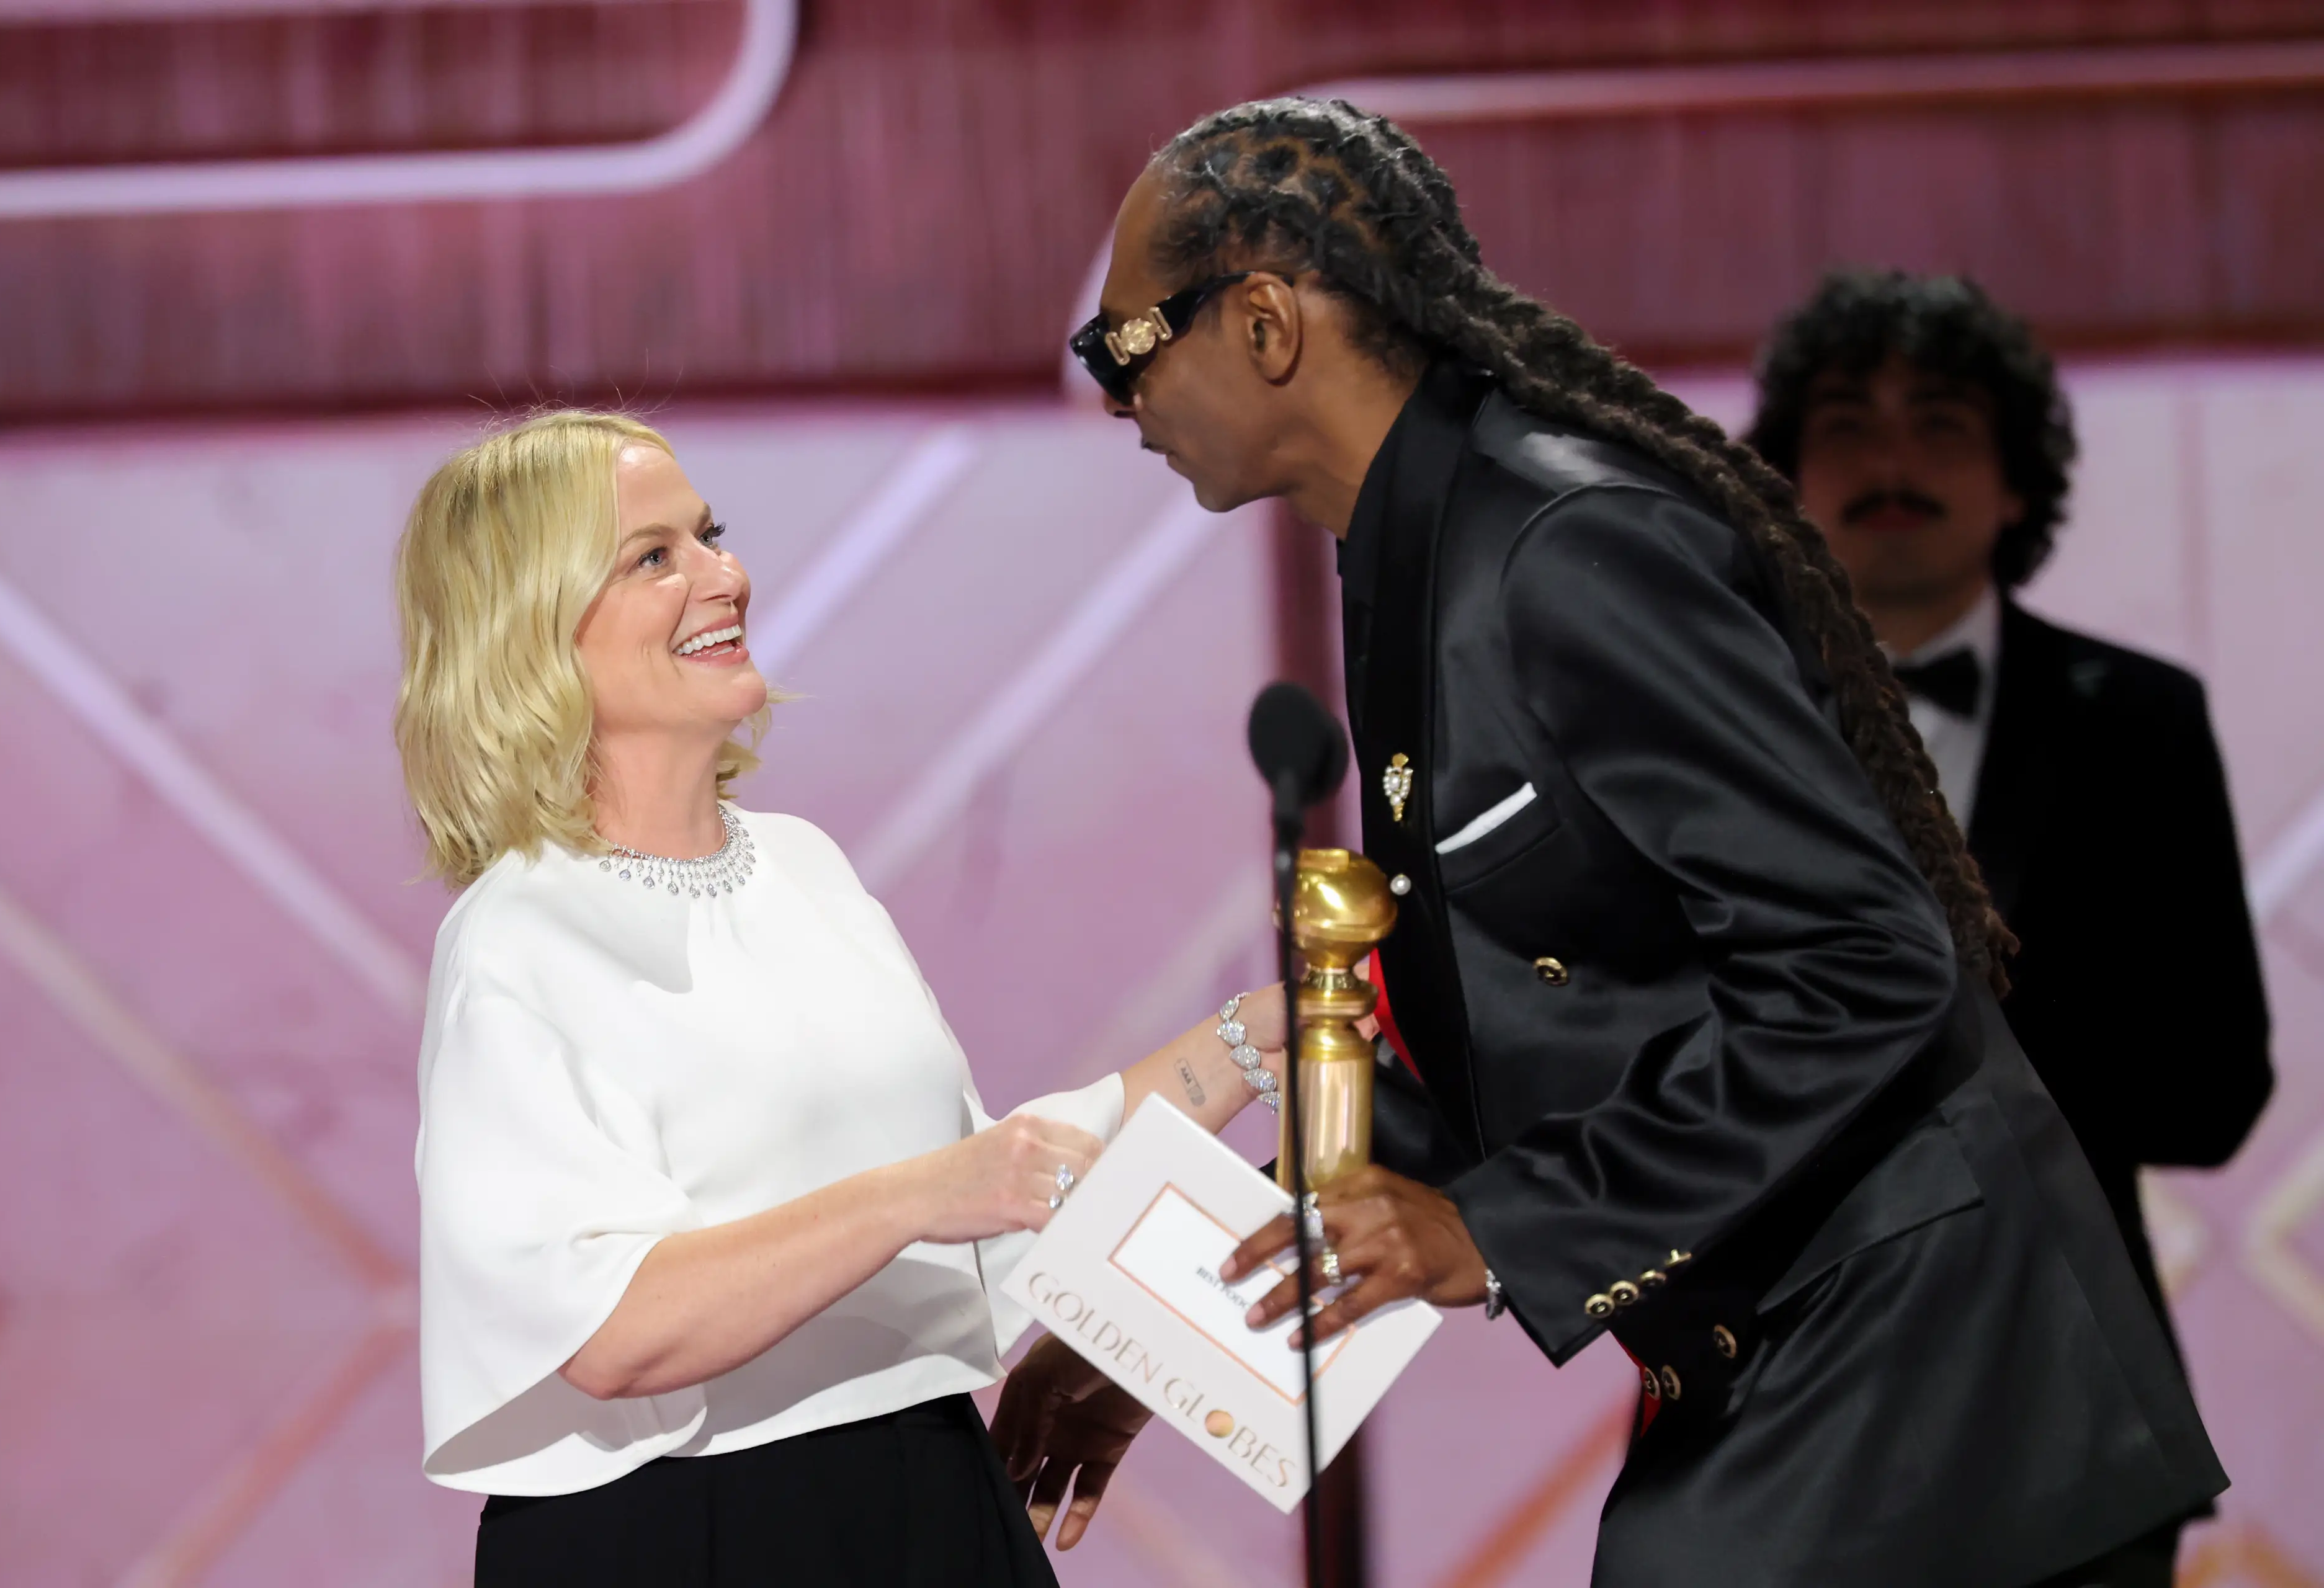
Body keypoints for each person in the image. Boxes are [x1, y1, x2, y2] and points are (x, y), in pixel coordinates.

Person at [993, 99, 2226, 1586]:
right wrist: (1165, 1321)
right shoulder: (1418, 546)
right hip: (1796, 1358)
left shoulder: (1561, 544)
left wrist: (1492, 1227)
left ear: (1265, 322)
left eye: (1122, 345)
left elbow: (1864, 960)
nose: (1116, 396)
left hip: (1939, 1383)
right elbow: (1496, 1021)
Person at [393, 411, 1291, 1586]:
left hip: (931, 1490)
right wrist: (923, 1195)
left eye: (710, 534)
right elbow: (603, 1332)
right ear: (531, 634)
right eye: (654, 557)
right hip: (694, 1533)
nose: (725, 576)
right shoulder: (518, 936)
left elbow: (996, 1185)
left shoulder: (803, 864)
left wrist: (1252, 1041)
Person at [1746, 269, 2273, 1581]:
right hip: (1775, 1401)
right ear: (1785, 480)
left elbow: (2216, 1087)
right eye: (1849, 427)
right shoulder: (1711, 725)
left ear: (2018, 482)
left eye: (1941, 424)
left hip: (2075, 1404)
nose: (1893, 464)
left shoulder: (2142, 721)